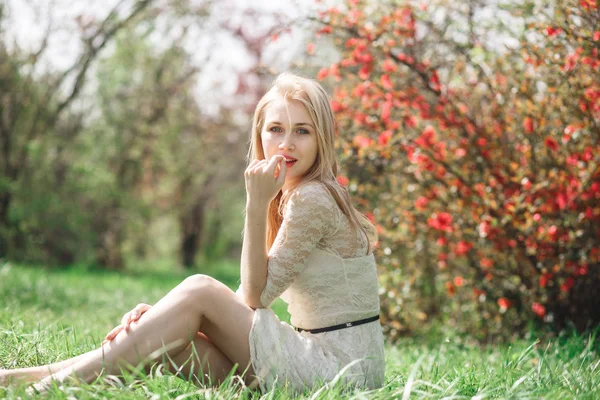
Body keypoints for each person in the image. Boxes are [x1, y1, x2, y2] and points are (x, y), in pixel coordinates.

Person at [0, 72, 385, 394]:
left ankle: (43, 391)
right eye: (276, 129)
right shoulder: (296, 194)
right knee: (169, 342)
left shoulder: (312, 198)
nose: (286, 143)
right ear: (260, 135)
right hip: (327, 363)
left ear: (321, 140)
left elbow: (254, 296)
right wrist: (169, 315)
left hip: (338, 374)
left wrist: (254, 205)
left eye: (302, 131)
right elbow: (247, 305)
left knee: (199, 288)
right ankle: (28, 380)